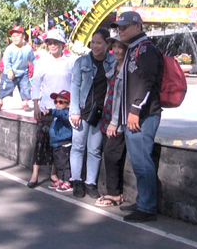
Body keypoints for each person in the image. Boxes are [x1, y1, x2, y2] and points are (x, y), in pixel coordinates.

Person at [111, 11, 163, 223]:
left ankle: (147, 208)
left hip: (143, 115)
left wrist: (134, 110)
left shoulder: (146, 49)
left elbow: (147, 82)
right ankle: (143, 201)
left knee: (142, 163)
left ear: (138, 26)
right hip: (133, 115)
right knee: (138, 162)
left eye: (125, 26)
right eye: (118, 27)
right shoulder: (133, 49)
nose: (120, 30)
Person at [69, 28, 115, 198]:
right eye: (93, 42)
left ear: (107, 44)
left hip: (100, 113)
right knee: (78, 146)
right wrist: (74, 110)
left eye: (99, 42)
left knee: (95, 149)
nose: (95, 46)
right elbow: (74, 86)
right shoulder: (81, 62)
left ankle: (90, 183)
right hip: (81, 110)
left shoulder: (113, 62)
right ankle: (76, 181)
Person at [28, 28, 76, 188]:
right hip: (46, 108)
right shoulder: (42, 61)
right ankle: (34, 175)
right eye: (50, 42)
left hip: (63, 110)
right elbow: (35, 85)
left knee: (60, 144)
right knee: (41, 141)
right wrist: (35, 106)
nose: (52, 45)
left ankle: (54, 173)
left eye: (56, 42)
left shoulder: (71, 62)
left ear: (63, 44)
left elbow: (75, 85)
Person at [95, 35, 128, 207]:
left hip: (118, 120)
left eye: (119, 47)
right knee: (109, 154)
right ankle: (115, 192)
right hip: (108, 117)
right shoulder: (115, 66)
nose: (115, 50)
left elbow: (122, 98)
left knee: (111, 154)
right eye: (113, 47)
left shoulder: (127, 69)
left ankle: (114, 194)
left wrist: (115, 122)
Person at [0, 25, 36, 111]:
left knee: (25, 88)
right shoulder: (9, 49)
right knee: (5, 87)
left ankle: (25, 103)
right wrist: (9, 70)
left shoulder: (28, 48)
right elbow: (6, 61)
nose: (15, 38)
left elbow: (32, 59)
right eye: (13, 36)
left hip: (23, 72)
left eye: (17, 35)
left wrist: (38, 68)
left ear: (23, 36)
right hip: (10, 73)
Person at [43, 90, 73, 193]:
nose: (57, 104)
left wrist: (51, 111)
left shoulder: (66, 114)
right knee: (59, 164)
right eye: (55, 101)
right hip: (56, 143)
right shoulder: (57, 116)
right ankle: (60, 179)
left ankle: (68, 181)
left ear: (68, 104)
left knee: (65, 164)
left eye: (60, 102)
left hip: (64, 144)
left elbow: (60, 113)